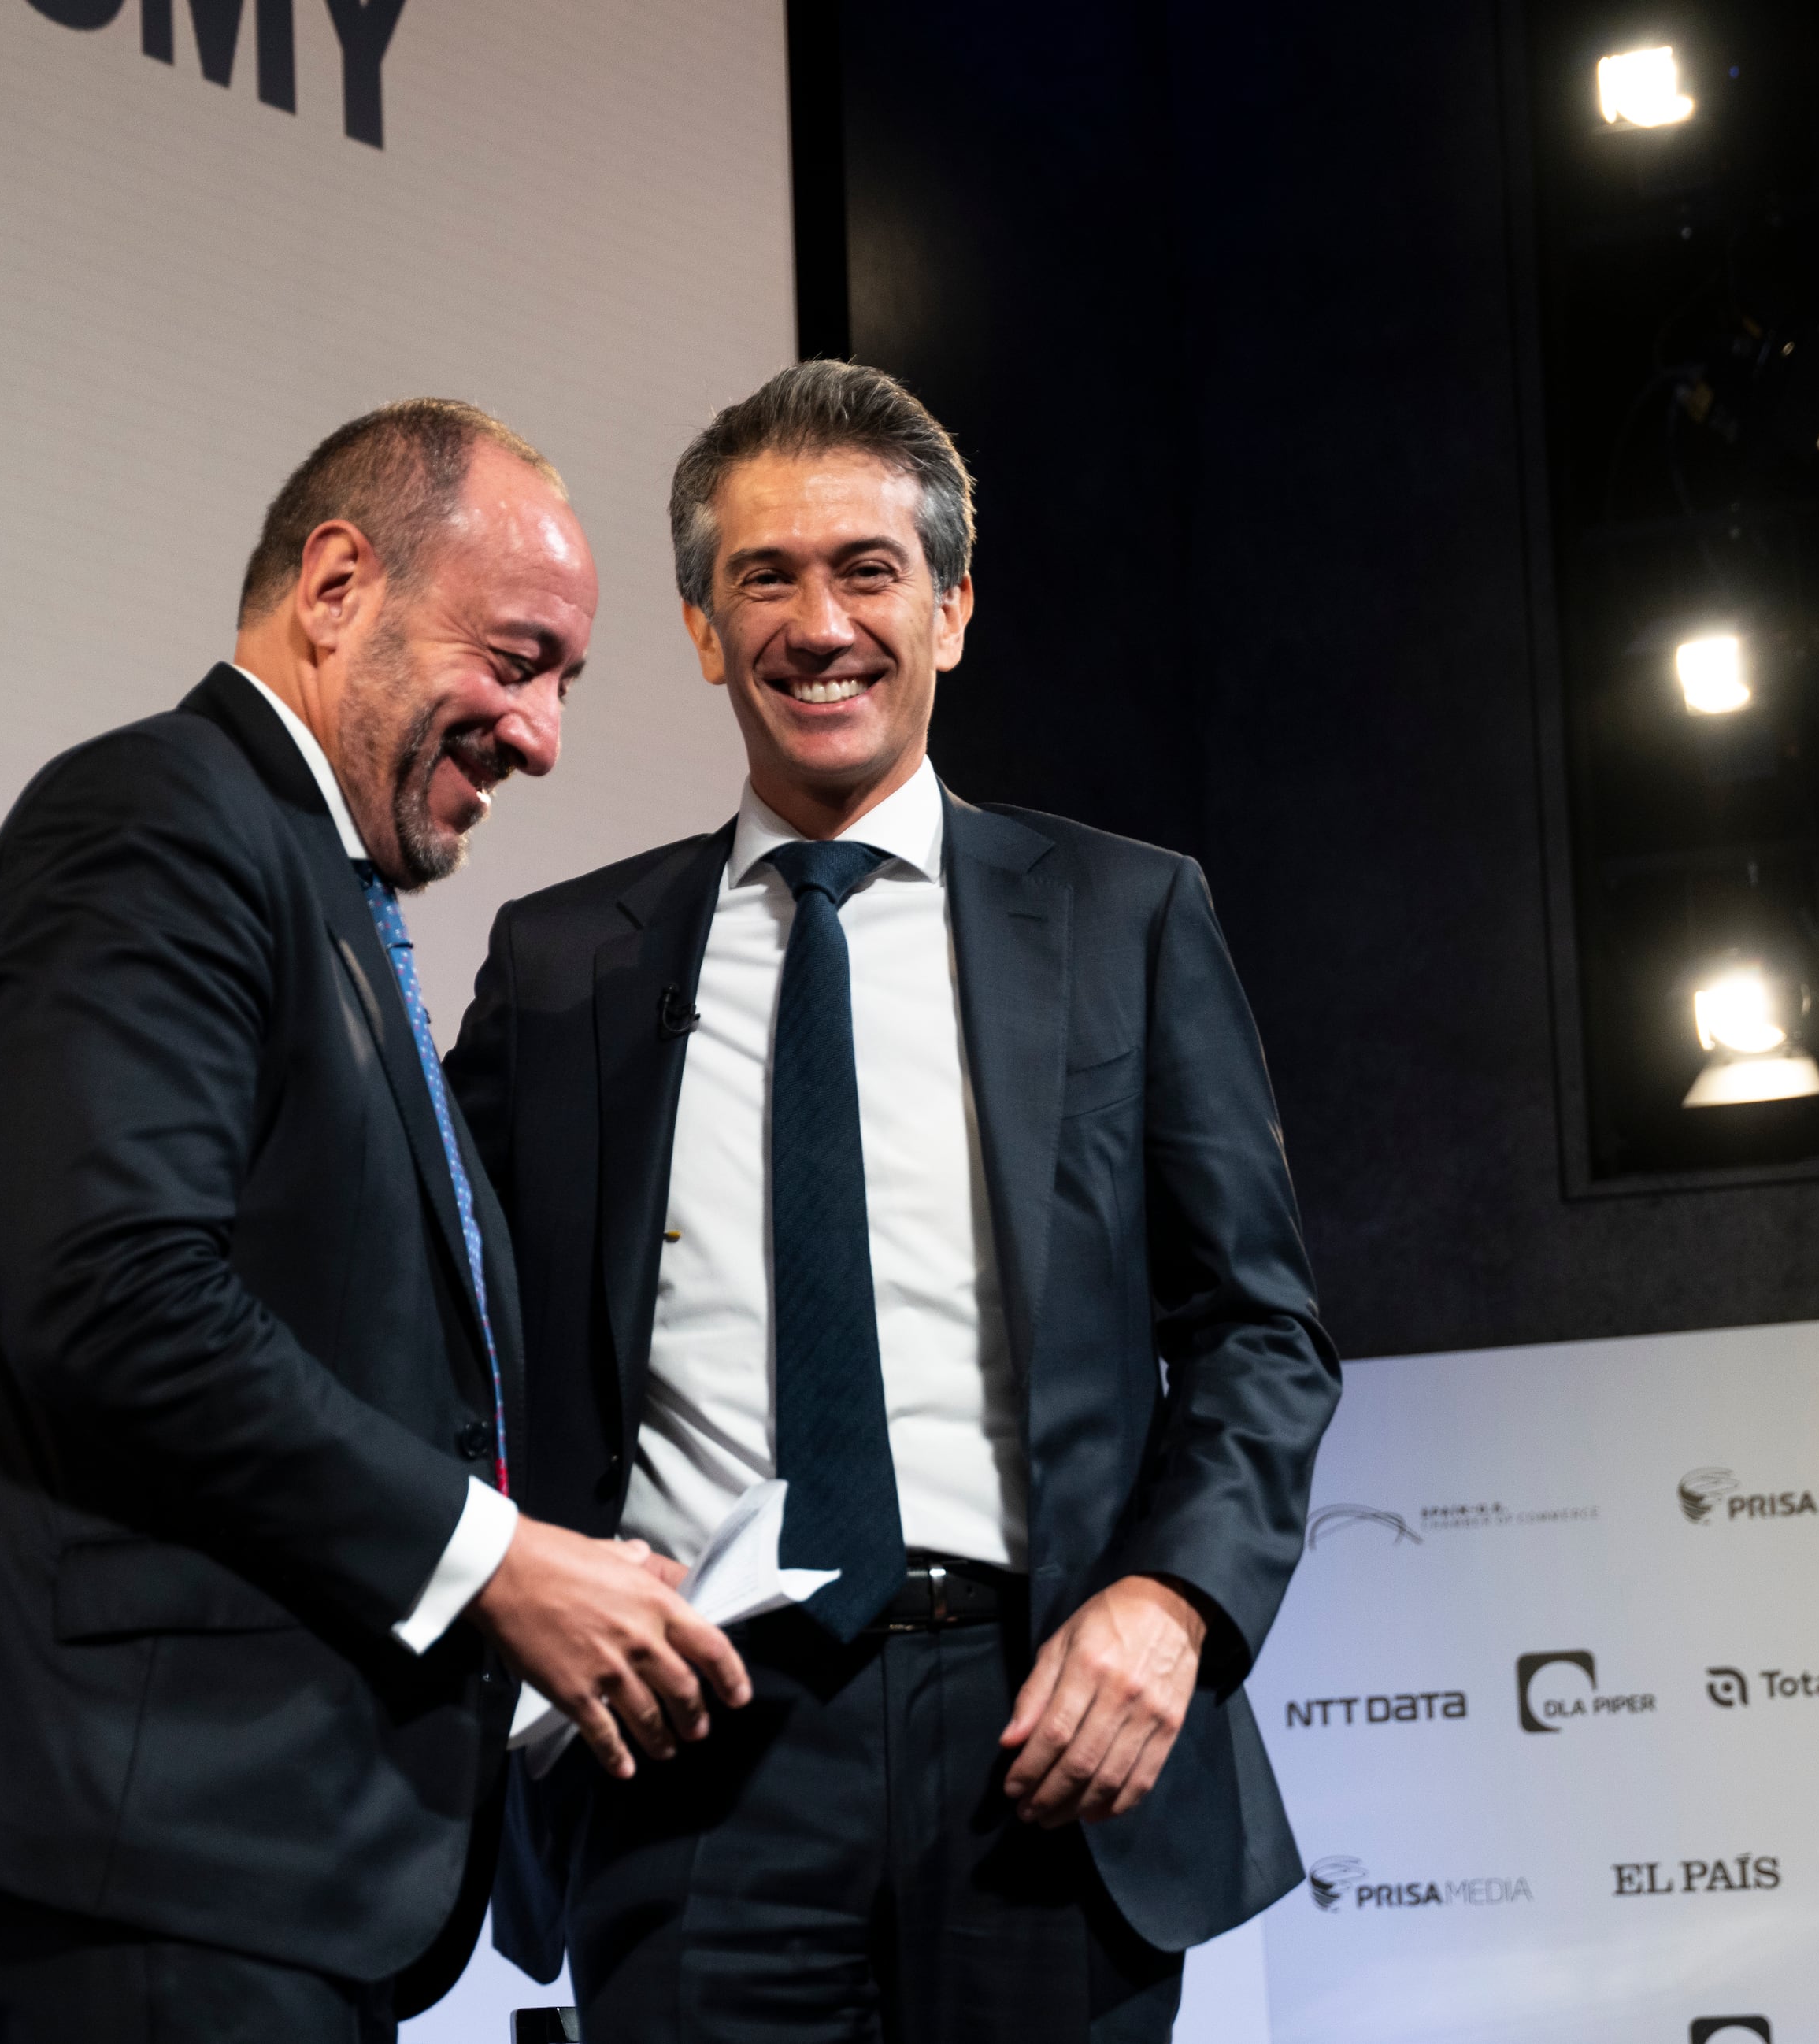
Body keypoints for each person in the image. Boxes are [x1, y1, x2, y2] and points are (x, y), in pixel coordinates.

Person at [0, 399, 753, 2044]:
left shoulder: (315, 882)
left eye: (564, 685)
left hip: (237, 1856)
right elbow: (116, 1295)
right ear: (333, 586)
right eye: (517, 659)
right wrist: (495, 1562)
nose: (539, 735)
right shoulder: (156, 821)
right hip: (140, 1834)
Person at [443, 360, 1340, 2042]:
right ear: (705, 628)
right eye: (762, 578)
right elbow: (439, 1323)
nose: (817, 620)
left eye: (866, 569)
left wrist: (1174, 1602)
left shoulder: (1124, 917)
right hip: (691, 1742)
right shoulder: (563, 964)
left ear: (951, 608)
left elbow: (1259, 1332)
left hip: (1042, 1743)